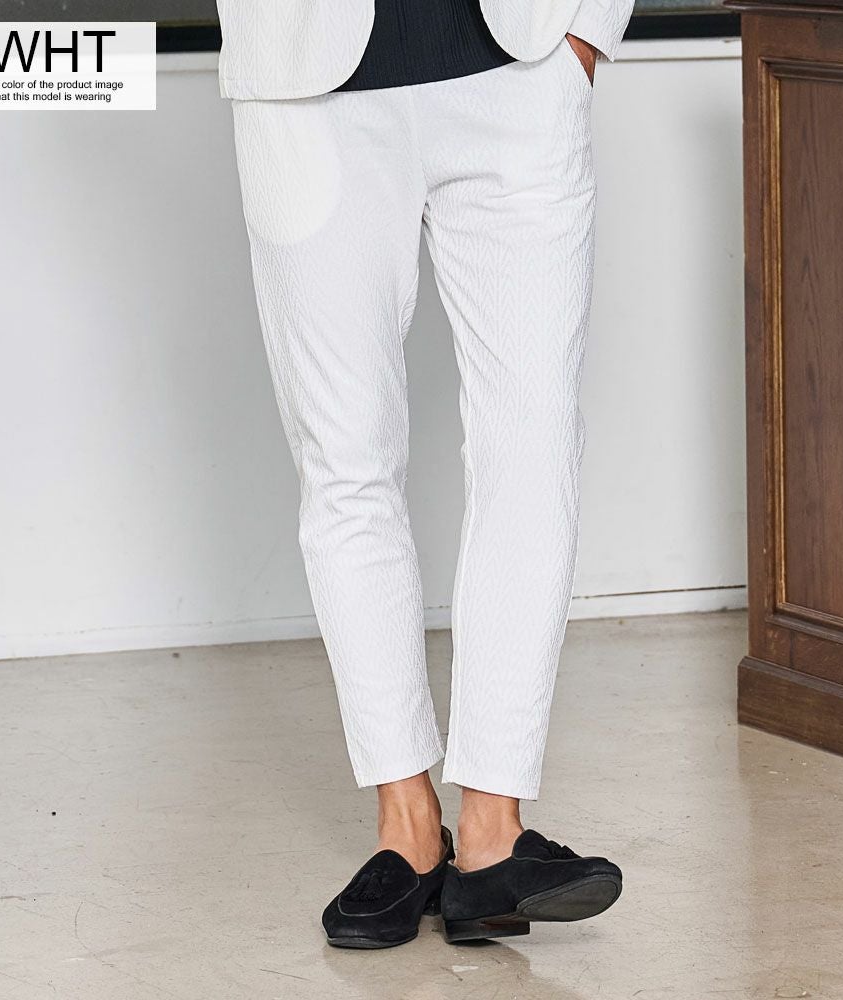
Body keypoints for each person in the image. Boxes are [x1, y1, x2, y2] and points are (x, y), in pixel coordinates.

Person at [215, 0, 635, 948]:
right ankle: (406, 825)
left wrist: (589, 31)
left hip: (523, 63)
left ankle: (493, 834)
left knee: (534, 444)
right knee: (346, 461)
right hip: (302, 84)